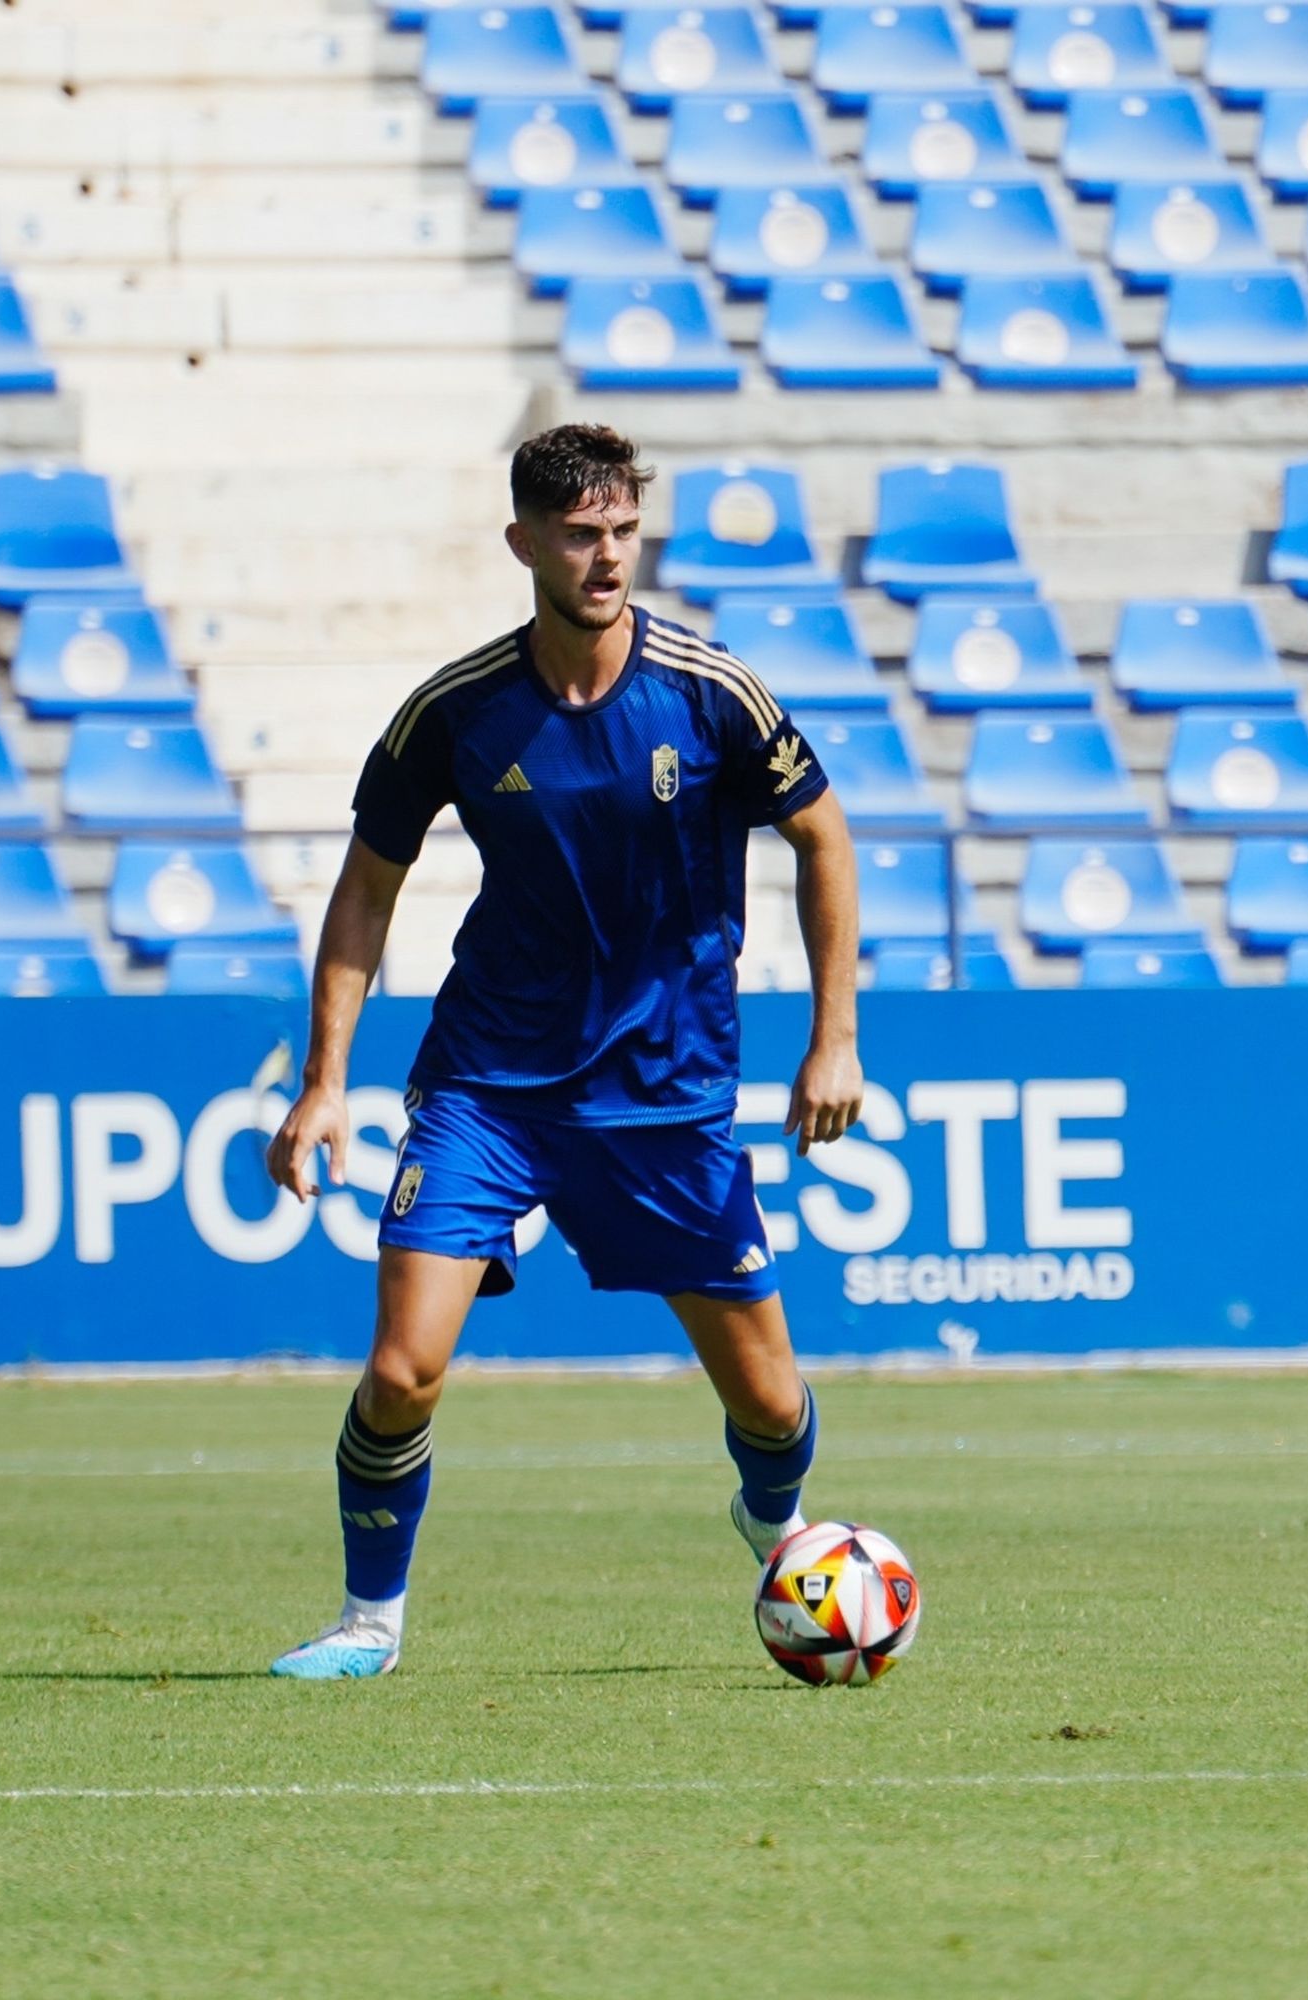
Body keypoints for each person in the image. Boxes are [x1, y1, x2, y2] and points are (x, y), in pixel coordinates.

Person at [265, 424, 863, 1679]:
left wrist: (832, 1040)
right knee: (401, 1367)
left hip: (665, 1090)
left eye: (622, 532)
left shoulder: (711, 692)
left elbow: (824, 838)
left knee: (765, 1403)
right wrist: (324, 1080)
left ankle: (771, 1520)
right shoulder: (456, 710)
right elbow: (367, 886)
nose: (606, 557)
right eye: (581, 534)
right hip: (489, 1084)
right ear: (524, 541)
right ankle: (370, 1618)